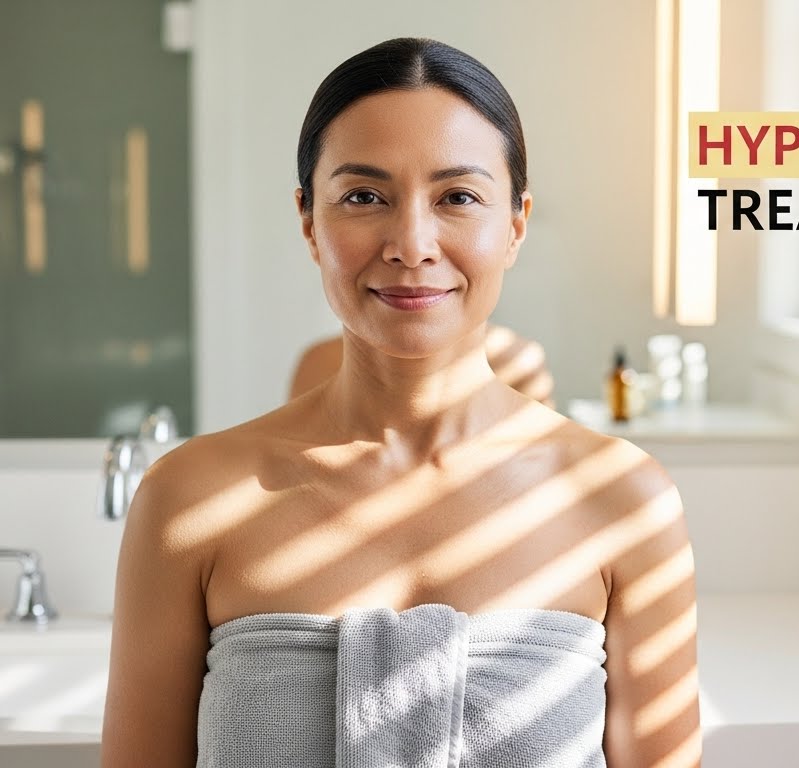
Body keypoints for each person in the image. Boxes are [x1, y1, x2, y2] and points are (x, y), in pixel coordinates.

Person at [102, 38, 700, 768]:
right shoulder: (189, 499)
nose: (412, 244)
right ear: (308, 221)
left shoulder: (621, 499)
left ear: (515, 224)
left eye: (458, 198)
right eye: (363, 197)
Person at [289, 322, 556, 407]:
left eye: (457, 203)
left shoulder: (517, 363)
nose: (413, 251)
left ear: (515, 229)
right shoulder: (320, 364)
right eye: (363, 203)